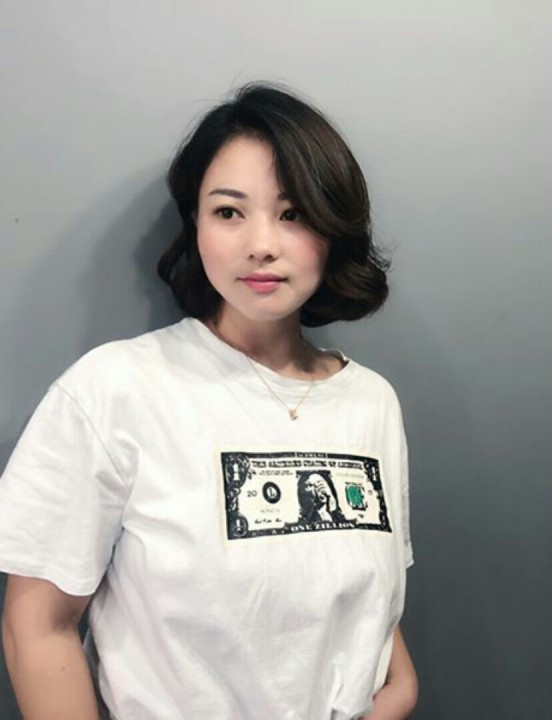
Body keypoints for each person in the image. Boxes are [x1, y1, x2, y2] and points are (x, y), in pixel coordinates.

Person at [0, 83, 417, 719]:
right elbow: (37, 626)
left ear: (332, 228)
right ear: (194, 222)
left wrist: (400, 691)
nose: (261, 244)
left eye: (293, 214)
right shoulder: (115, 389)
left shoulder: (371, 403)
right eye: (229, 212)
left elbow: (364, 599)